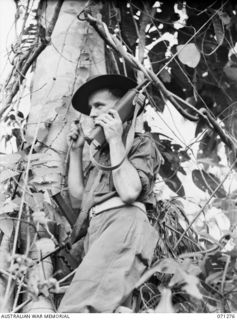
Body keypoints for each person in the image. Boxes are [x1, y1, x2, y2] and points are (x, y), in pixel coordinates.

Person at [58, 74, 160, 313]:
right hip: (97, 230)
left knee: (78, 308)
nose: (92, 114)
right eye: (90, 108)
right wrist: (76, 151)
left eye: (99, 106)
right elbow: (79, 199)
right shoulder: (101, 155)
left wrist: (115, 138)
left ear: (120, 108)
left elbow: (129, 192)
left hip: (122, 224)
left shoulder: (140, 143)